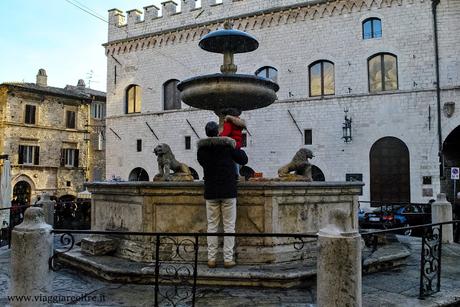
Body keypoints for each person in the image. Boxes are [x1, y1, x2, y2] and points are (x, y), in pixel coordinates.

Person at [197, 121, 248, 268]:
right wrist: (235, 145)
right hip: (228, 190)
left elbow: (203, 163)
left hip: (211, 190)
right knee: (229, 226)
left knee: (212, 226)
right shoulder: (227, 145)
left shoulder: (202, 150)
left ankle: (211, 259)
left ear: (206, 133)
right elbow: (243, 159)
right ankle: (227, 259)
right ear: (218, 132)